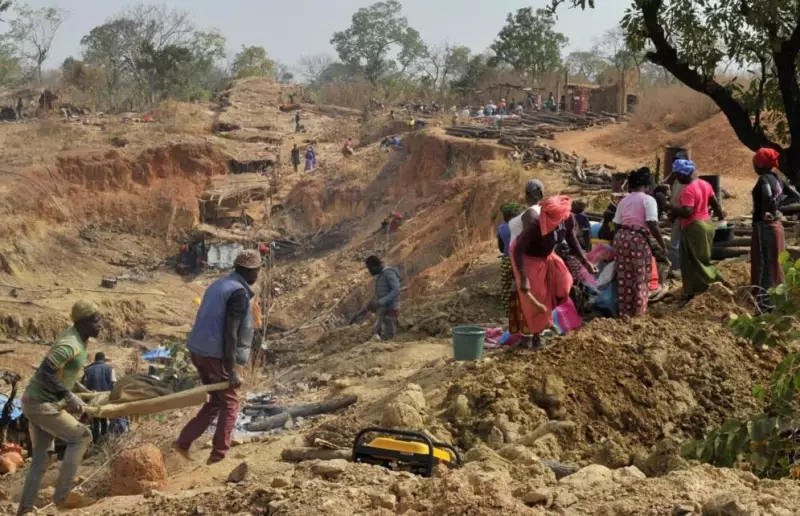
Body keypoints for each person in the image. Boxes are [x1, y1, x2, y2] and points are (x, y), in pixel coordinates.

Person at [175, 250, 261, 465]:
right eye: (257, 271)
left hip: (198, 350)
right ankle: (218, 456)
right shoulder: (238, 293)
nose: (257, 276)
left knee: (216, 400)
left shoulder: (219, 284)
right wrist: (232, 370)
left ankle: (183, 442)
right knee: (231, 403)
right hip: (214, 355)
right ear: (251, 271)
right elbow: (230, 333)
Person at [17, 301, 102, 514]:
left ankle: (25, 508)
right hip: (42, 403)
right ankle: (63, 497)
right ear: (83, 323)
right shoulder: (70, 344)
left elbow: (66, 373)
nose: (100, 324)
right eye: (95, 320)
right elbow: (47, 371)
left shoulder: (80, 339)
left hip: (33, 402)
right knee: (82, 437)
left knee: (41, 457)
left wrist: (83, 391)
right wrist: (68, 395)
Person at [511, 195, 576, 348]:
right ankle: (536, 338)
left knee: (565, 283)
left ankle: (545, 320)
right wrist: (523, 277)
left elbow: (572, 240)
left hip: (546, 256)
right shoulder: (536, 224)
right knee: (538, 293)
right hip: (526, 257)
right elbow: (518, 249)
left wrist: (585, 262)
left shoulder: (568, 220)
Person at [612, 168, 668, 317]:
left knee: (624, 276)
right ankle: (638, 312)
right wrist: (662, 244)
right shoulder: (649, 200)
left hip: (621, 237)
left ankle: (624, 312)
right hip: (637, 238)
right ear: (648, 185)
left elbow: (617, 224)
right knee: (640, 276)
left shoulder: (624, 200)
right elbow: (652, 223)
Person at [669, 159, 726, 299]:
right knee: (702, 258)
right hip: (706, 224)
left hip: (693, 227)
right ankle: (705, 287)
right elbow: (716, 204)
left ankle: (700, 288)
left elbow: (688, 212)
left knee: (691, 261)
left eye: (677, 175)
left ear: (683, 174)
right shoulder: (705, 184)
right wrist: (719, 217)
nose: (676, 178)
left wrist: (669, 207)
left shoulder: (688, 190)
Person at [750, 148, 787, 312]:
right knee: (776, 265)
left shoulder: (764, 179)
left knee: (764, 265)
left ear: (760, 164)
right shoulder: (778, 179)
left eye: (755, 162)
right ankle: (779, 302)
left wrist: (766, 210)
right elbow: (794, 196)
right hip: (776, 226)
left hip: (764, 227)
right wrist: (777, 209)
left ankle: (764, 306)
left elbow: (766, 193)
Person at [81, 352, 117, 444]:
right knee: (104, 419)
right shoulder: (110, 369)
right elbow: (113, 384)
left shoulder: (87, 370)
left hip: (93, 399)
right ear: (104, 359)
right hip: (105, 399)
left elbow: (84, 386)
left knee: (95, 422)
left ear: (95, 359)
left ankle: (95, 442)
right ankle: (104, 442)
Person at [365, 256, 401, 341]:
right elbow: (382, 292)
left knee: (388, 336)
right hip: (383, 310)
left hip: (391, 309)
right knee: (376, 332)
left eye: (369, 268)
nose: (369, 271)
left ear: (374, 266)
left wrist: (379, 303)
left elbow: (396, 290)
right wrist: (373, 303)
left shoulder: (388, 273)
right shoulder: (380, 275)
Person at [498, 202, 521, 324]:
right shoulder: (520, 227)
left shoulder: (501, 228)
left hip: (507, 260)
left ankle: (510, 318)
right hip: (520, 260)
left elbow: (501, 248)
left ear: (505, 216)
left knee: (507, 290)